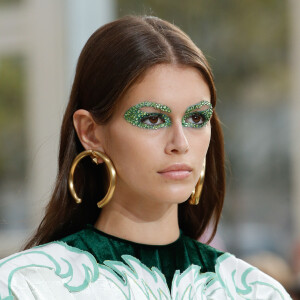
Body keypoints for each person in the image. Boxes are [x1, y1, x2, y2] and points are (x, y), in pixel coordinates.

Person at [0, 15, 291, 299]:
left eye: (197, 118)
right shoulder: (26, 287)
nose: (181, 142)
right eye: (152, 120)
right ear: (90, 132)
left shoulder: (257, 292)